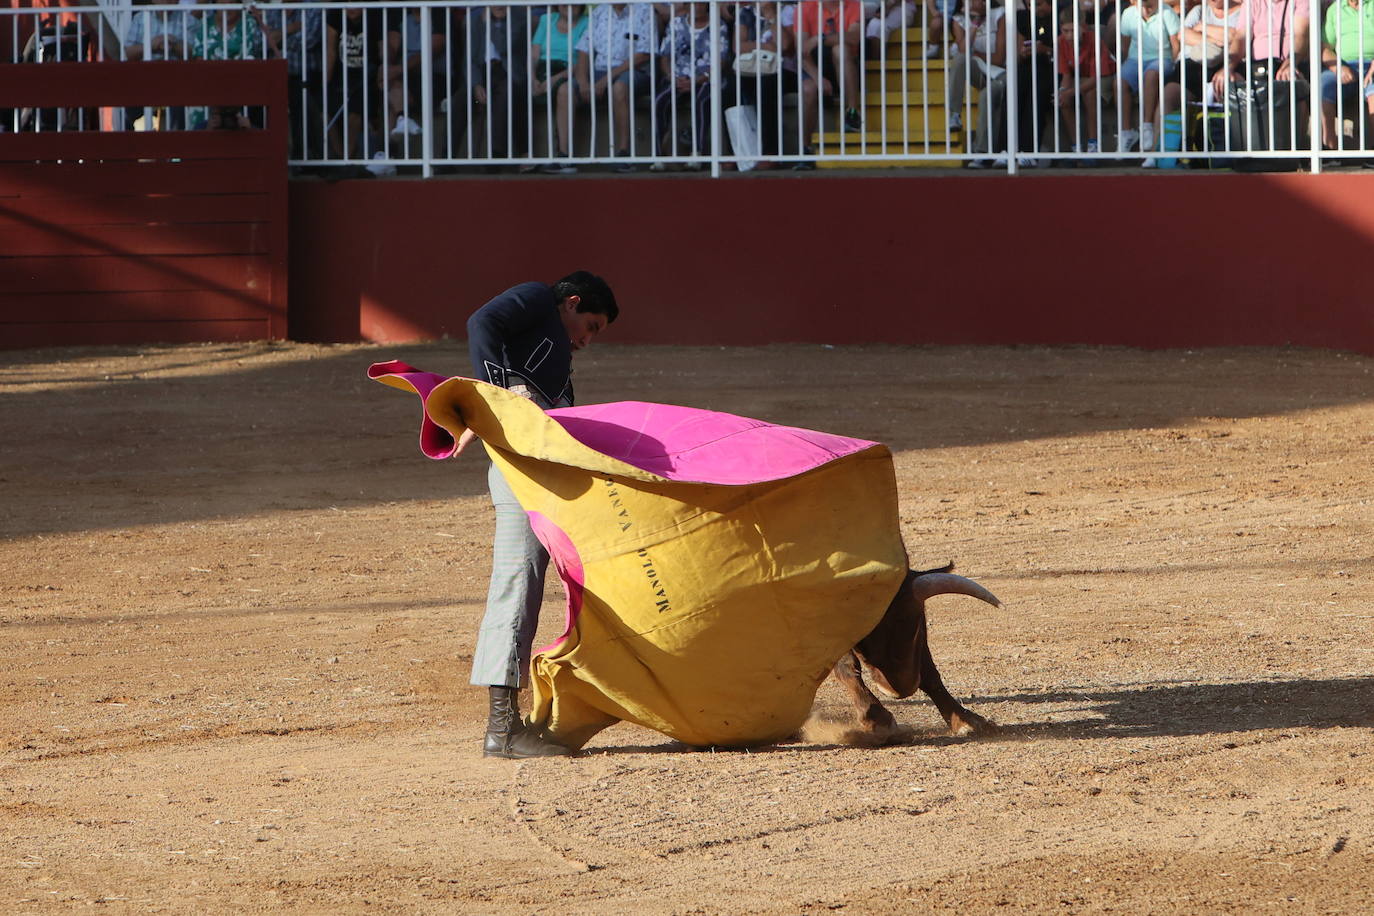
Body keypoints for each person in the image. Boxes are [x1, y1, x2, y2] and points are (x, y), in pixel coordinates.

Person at [457, 271, 621, 759]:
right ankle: (502, 730)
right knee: (518, 582)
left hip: (548, 474)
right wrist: (494, 402)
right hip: (520, 470)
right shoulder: (535, 299)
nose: (586, 340)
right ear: (570, 303)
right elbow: (481, 322)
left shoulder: (554, 357)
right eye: (589, 325)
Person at [556, 3, 660, 171]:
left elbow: (643, 55)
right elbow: (584, 51)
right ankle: (563, 157)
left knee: (618, 88)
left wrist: (605, 80)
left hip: (634, 70)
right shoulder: (600, 11)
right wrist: (583, 82)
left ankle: (625, 154)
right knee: (565, 90)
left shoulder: (644, 10)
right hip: (600, 71)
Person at [656, 1, 732, 160]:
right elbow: (664, 56)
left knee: (702, 101)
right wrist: (672, 77)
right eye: (693, 3)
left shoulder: (719, 25)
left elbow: (722, 61)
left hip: (707, 79)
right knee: (660, 101)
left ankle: (697, 153)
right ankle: (660, 155)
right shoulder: (676, 23)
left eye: (701, 4)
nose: (697, 7)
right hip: (678, 78)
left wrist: (697, 80)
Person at [1112, 0, 1181, 155]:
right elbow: (1124, 44)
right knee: (1119, 82)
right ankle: (1126, 132)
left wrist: (1174, 64)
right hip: (1134, 59)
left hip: (1162, 58)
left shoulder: (1167, 11)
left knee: (1150, 75)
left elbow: (1175, 45)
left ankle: (1147, 126)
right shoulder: (1128, 13)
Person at [467, 4, 532, 166]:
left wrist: (488, 24)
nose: (499, 4)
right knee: (458, 102)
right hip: (481, 75)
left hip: (507, 72)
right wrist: (476, 84)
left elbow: (504, 47)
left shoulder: (519, 17)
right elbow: (469, 59)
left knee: (505, 93)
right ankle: (445, 157)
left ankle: (496, 154)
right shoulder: (475, 21)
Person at [530, 4, 590, 168]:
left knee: (565, 90)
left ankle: (564, 155)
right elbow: (534, 54)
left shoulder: (588, 22)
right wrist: (533, 78)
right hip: (543, 69)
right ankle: (525, 155)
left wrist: (554, 79)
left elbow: (583, 60)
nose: (569, 5)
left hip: (569, 71)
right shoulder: (546, 20)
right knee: (518, 89)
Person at [794, 0, 867, 132]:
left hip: (845, 64)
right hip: (814, 64)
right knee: (808, 89)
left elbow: (854, 37)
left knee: (840, 49)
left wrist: (818, 39)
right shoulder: (804, 7)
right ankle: (806, 147)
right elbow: (802, 51)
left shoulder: (854, 5)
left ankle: (852, 112)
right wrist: (818, 79)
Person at [1056, 6, 1115, 159]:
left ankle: (1093, 144)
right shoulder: (1060, 42)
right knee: (1063, 99)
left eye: (1073, 31)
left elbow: (1096, 78)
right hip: (1080, 77)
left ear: (1083, 28)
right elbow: (1066, 74)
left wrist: (1071, 91)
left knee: (1090, 93)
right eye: (1065, 30)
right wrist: (1063, 91)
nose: (1069, 36)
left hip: (1103, 76)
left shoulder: (1094, 40)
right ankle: (1076, 146)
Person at [1318, 0, 1374, 152]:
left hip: (1372, 63)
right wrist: (1338, 67)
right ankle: (1330, 149)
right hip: (1345, 65)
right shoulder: (1334, 9)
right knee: (1323, 84)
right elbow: (1324, 48)